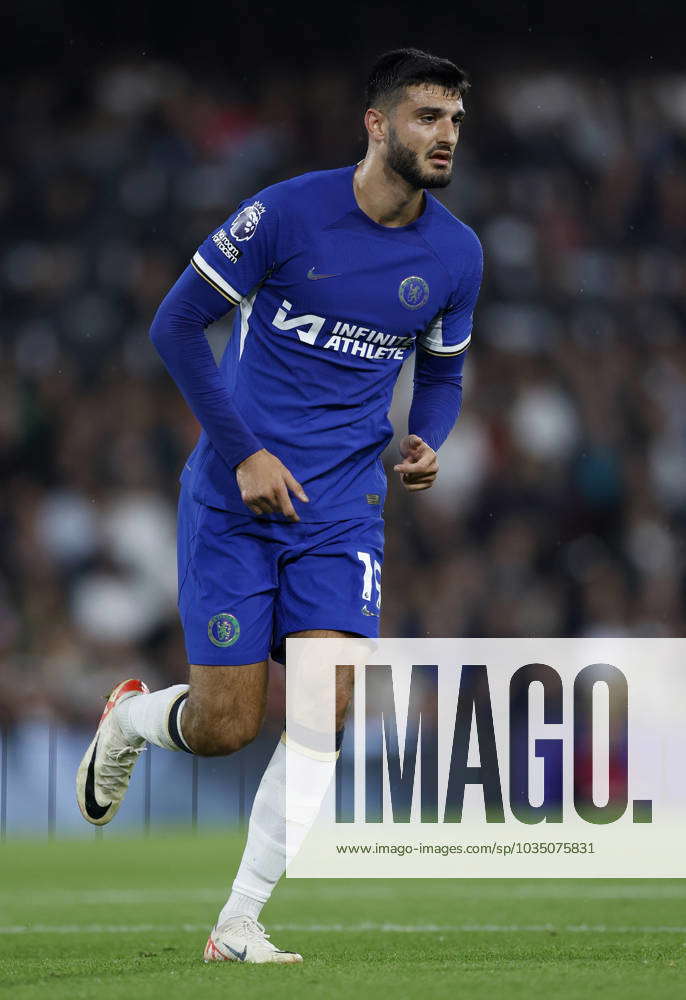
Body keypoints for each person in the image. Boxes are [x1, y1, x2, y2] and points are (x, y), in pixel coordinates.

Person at [76, 47, 483, 964]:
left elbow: (445, 371)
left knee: (324, 709)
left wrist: (430, 436)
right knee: (225, 727)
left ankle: (239, 922)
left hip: (342, 509)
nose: (446, 133)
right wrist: (246, 452)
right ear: (376, 124)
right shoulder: (286, 213)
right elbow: (174, 325)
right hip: (231, 500)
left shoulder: (456, 252)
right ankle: (132, 720)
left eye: (455, 118)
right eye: (427, 116)